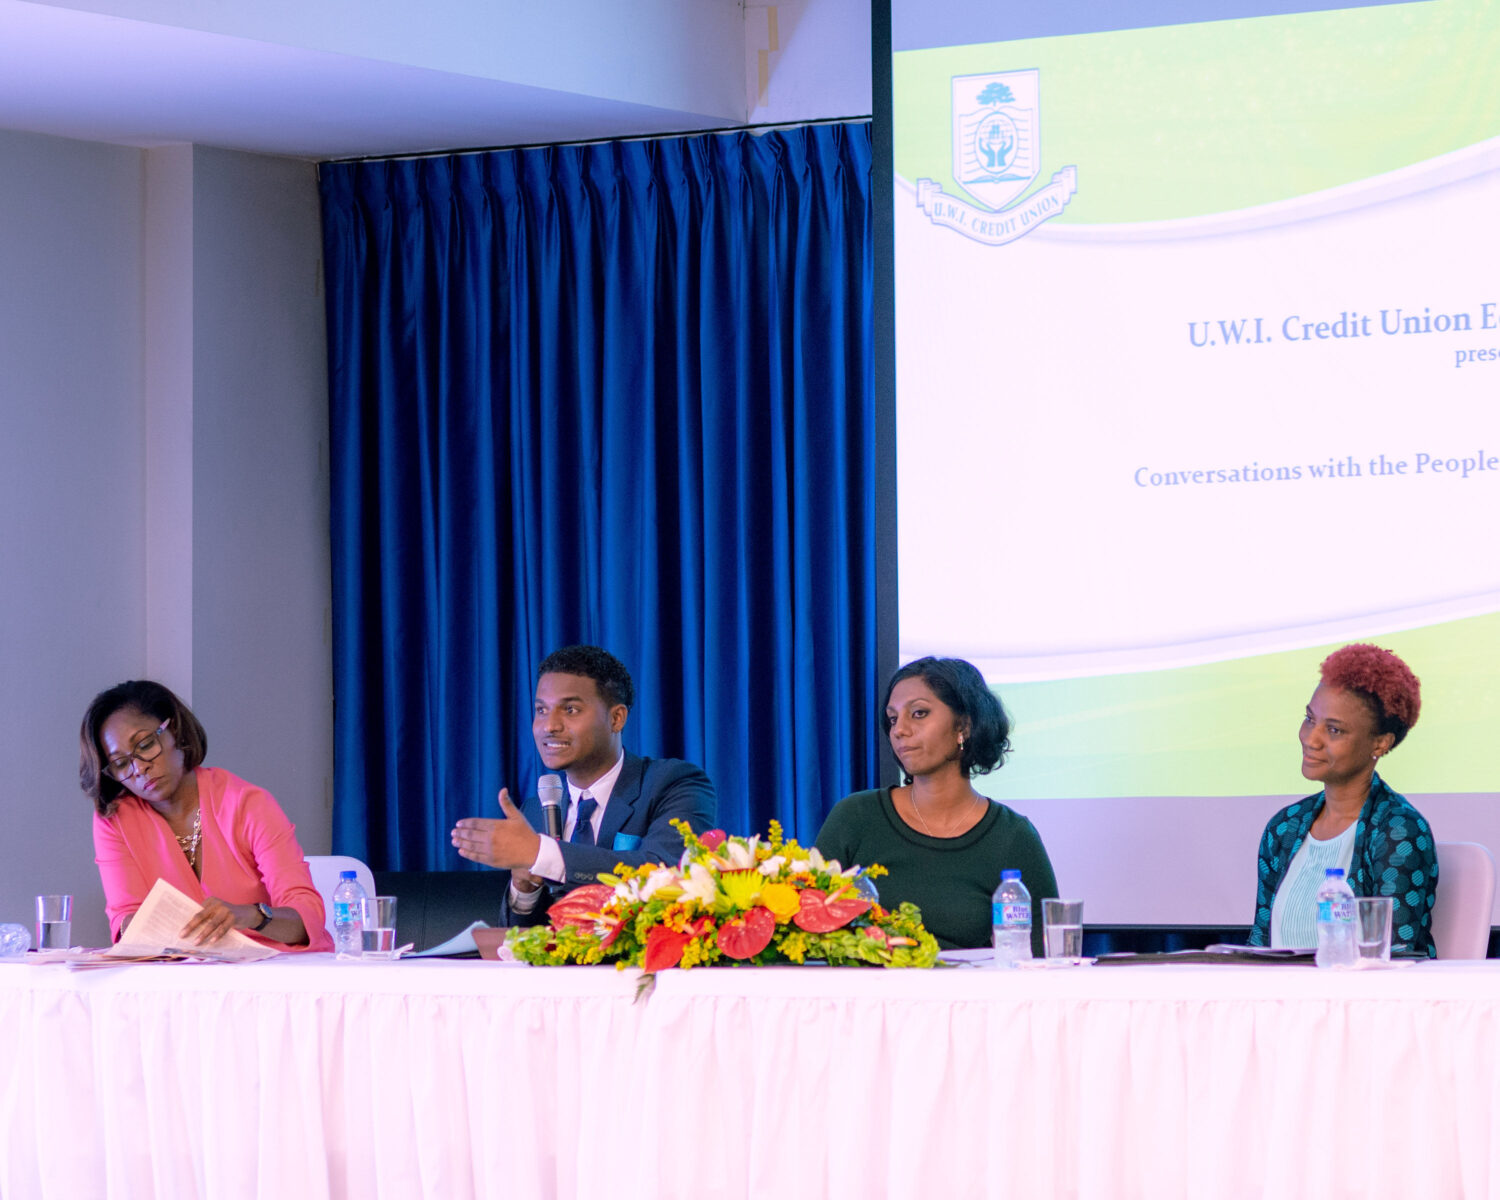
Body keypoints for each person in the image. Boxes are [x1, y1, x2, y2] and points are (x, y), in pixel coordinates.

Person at [451, 645, 717, 924]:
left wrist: (542, 853)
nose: (549, 726)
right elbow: (522, 938)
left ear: (616, 718)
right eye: (541, 710)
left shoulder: (674, 784)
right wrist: (524, 891)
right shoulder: (535, 811)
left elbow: (668, 873)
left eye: (570, 709)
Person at [814, 656, 1057, 953]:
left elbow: (1041, 956)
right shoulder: (855, 817)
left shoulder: (1012, 835)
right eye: (893, 719)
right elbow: (808, 928)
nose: (899, 730)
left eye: (918, 713)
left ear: (964, 726)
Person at [80, 680, 331, 950]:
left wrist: (252, 915)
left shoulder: (247, 804)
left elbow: (307, 919)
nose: (139, 769)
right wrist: (142, 927)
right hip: (178, 970)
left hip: (270, 967)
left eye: (144, 745)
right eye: (120, 763)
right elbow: (124, 920)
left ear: (174, 730)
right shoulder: (115, 820)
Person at [1247, 643, 1437, 955]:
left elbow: (1392, 954)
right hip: (1281, 988)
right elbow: (1259, 947)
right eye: (1309, 719)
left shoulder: (1398, 831)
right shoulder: (1284, 827)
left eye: (1334, 730)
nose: (1311, 738)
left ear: (1380, 743)